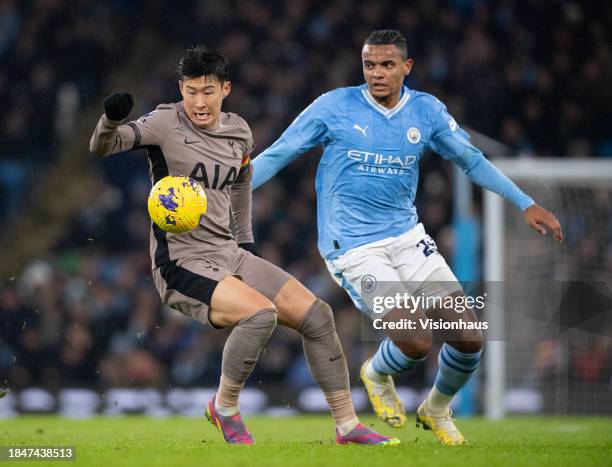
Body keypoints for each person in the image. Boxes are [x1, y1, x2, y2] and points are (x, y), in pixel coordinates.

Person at [251, 30, 563, 445]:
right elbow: (277, 153)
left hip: (407, 237)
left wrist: (525, 203)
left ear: (406, 67)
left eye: (386, 65)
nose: (376, 74)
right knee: (416, 341)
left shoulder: (427, 112)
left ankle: (436, 409)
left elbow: (471, 160)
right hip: (354, 247)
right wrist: (224, 191)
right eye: (369, 65)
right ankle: (377, 374)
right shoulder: (334, 107)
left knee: (470, 338)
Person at [89, 45, 397, 446]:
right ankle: (225, 407)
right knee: (260, 314)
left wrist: (246, 241)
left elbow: (241, 183)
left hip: (229, 252)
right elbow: (102, 147)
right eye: (191, 91)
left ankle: (347, 426)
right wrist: (111, 119)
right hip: (181, 260)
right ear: (181, 89)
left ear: (226, 89)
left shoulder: (239, 131)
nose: (199, 101)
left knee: (318, 317)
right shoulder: (164, 122)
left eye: (209, 91)